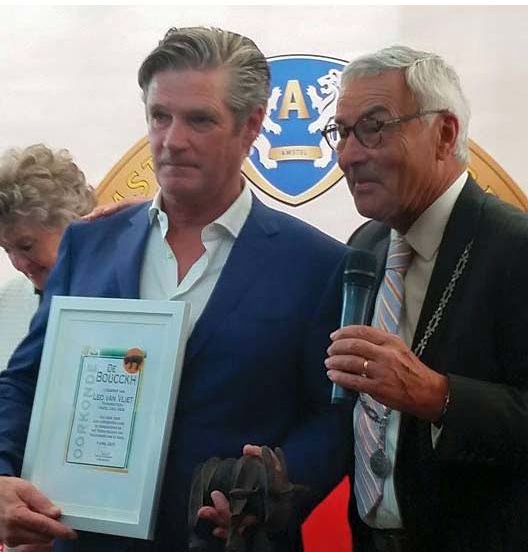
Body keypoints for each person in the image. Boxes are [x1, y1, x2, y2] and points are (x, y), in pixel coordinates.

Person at [0, 27, 349, 552]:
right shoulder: (88, 244)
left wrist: (272, 489)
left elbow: (335, 418)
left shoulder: (318, 265)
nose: (172, 140)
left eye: (199, 120)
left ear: (252, 125)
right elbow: (26, 380)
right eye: (159, 116)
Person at [323, 46, 528, 551]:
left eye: (374, 127)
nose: (349, 155)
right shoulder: (367, 244)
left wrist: (438, 396)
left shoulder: (515, 248)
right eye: (341, 132)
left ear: (444, 134)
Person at [0, 144, 96, 370]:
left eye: (26, 246)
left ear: (71, 223)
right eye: (6, 249)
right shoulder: (7, 300)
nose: (18, 264)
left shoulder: (120, 293)